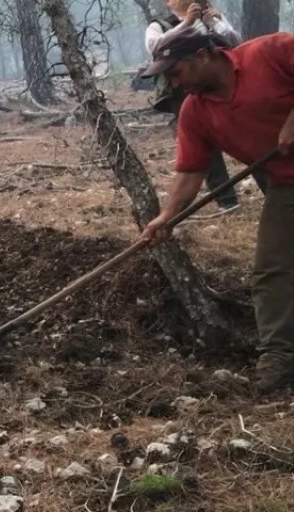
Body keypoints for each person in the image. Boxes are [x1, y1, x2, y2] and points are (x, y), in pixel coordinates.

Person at [139, 31, 294, 392]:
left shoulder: (272, 51)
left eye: (175, 72)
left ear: (203, 55)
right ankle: (279, 356)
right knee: (272, 269)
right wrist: (168, 217)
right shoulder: (195, 112)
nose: (172, 82)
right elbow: (191, 171)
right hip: (287, 183)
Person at [145, 0, 243, 214]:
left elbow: (236, 43)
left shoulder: (210, 17)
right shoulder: (159, 25)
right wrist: (186, 23)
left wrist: (215, 22)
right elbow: (155, 47)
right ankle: (227, 201)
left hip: (220, 85)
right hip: (184, 93)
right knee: (202, 145)